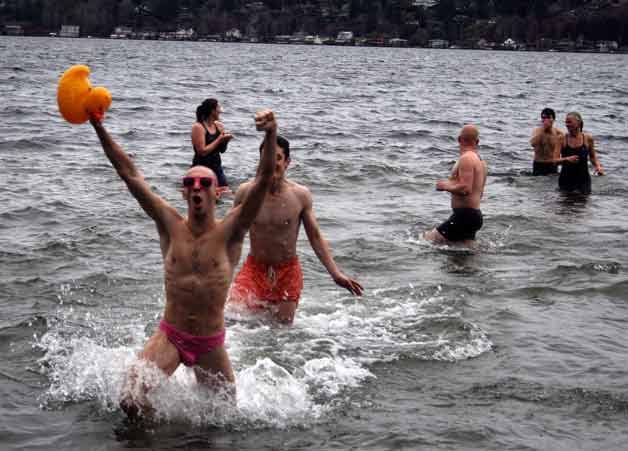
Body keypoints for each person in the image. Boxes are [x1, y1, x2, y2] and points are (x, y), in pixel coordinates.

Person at [88, 108, 279, 418]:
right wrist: (98, 127)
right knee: (130, 399)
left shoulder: (231, 231)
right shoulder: (169, 223)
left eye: (204, 184)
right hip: (172, 336)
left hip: (210, 343)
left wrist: (271, 134)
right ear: (183, 193)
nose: (196, 188)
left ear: (218, 193)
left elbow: (263, 179)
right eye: (190, 183)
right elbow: (129, 173)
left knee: (226, 418)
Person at [228, 135, 363, 323]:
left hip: (288, 273)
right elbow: (230, 234)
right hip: (254, 270)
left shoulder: (300, 196)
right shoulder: (246, 192)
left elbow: (315, 236)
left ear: (287, 162)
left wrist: (336, 274)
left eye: (277, 158)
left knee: (281, 333)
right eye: (266, 158)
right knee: (233, 320)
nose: (271, 163)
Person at [425, 124, 488, 245]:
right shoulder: (481, 162)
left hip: (464, 216)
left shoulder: (466, 158)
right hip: (474, 216)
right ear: (478, 141)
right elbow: (479, 193)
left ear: (459, 139)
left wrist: (444, 186)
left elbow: (465, 188)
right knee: (462, 258)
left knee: (425, 241)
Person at [558, 111, 605, 195]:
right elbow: (554, 160)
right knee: (565, 206)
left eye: (569, 122)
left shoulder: (588, 138)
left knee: (582, 206)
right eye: (566, 122)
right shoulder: (562, 139)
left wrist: (598, 166)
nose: (567, 124)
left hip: (584, 180)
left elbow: (592, 157)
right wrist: (566, 159)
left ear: (578, 123)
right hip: (566, 180)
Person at [191, 98, 233, 189]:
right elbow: (202, 152)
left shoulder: (219, 126)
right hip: (201, 168)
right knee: (203, 194)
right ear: (212, 111)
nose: (220, 111)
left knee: (225, 194)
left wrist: (226, 141)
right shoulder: (198, 127)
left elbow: (222, 150)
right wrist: (219, 139)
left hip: (217, 167)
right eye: (218, 108)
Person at [530, 107, 564, 176]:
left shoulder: (558, 133)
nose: (545, 120)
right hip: (539, 164)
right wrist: (543, 129)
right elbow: (532, 143)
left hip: (552, 165)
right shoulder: (538, 131)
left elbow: (565, 148)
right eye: (543, 118)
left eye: (548, 118)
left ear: (553, 119)